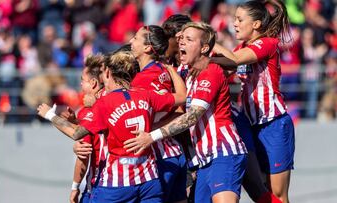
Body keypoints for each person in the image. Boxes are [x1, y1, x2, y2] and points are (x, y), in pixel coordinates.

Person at [37, 50, 187, 203]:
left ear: (108, 72)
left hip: (117, 184)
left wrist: (50, 115)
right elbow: (182, 97)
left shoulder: (103, 103)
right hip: (149, 179)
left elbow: (77, 134)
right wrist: (171, 70)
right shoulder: (145, 95)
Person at [124, 22, 247, 203]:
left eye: (189, 40)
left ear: (204, 47)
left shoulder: (210, 70)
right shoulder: (184, 71)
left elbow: (191, 117)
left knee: (258, 188)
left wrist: (151, 136)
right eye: (181, 38)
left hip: (224, 152)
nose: (181, 43)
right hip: (204, 159)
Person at [212, 1, 295, 202]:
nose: (235, 24)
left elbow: (233, 59)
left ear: (256, 24)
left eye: (240, 20)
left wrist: (206, 42)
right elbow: (223, 67)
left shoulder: (268, 43)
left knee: (278, 194)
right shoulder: (242, 47)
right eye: (234, 19)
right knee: (262, 191)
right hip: (252, 126)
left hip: (274, 125)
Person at [129, 25, 188, 203]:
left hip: (158, 158)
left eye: (136, 38)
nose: (131, 41)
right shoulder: (163, 71)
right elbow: (180, 109)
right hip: (175, 152)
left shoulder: (142, 80)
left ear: (147, 47)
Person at [58, 54, 107, 203]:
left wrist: (75, 187)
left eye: (82, 80)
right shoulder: (114, 99)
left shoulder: (89, 109)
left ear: (93, 83)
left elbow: (83, 154)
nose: (80, 84)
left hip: (101, 183)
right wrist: (78, 121)